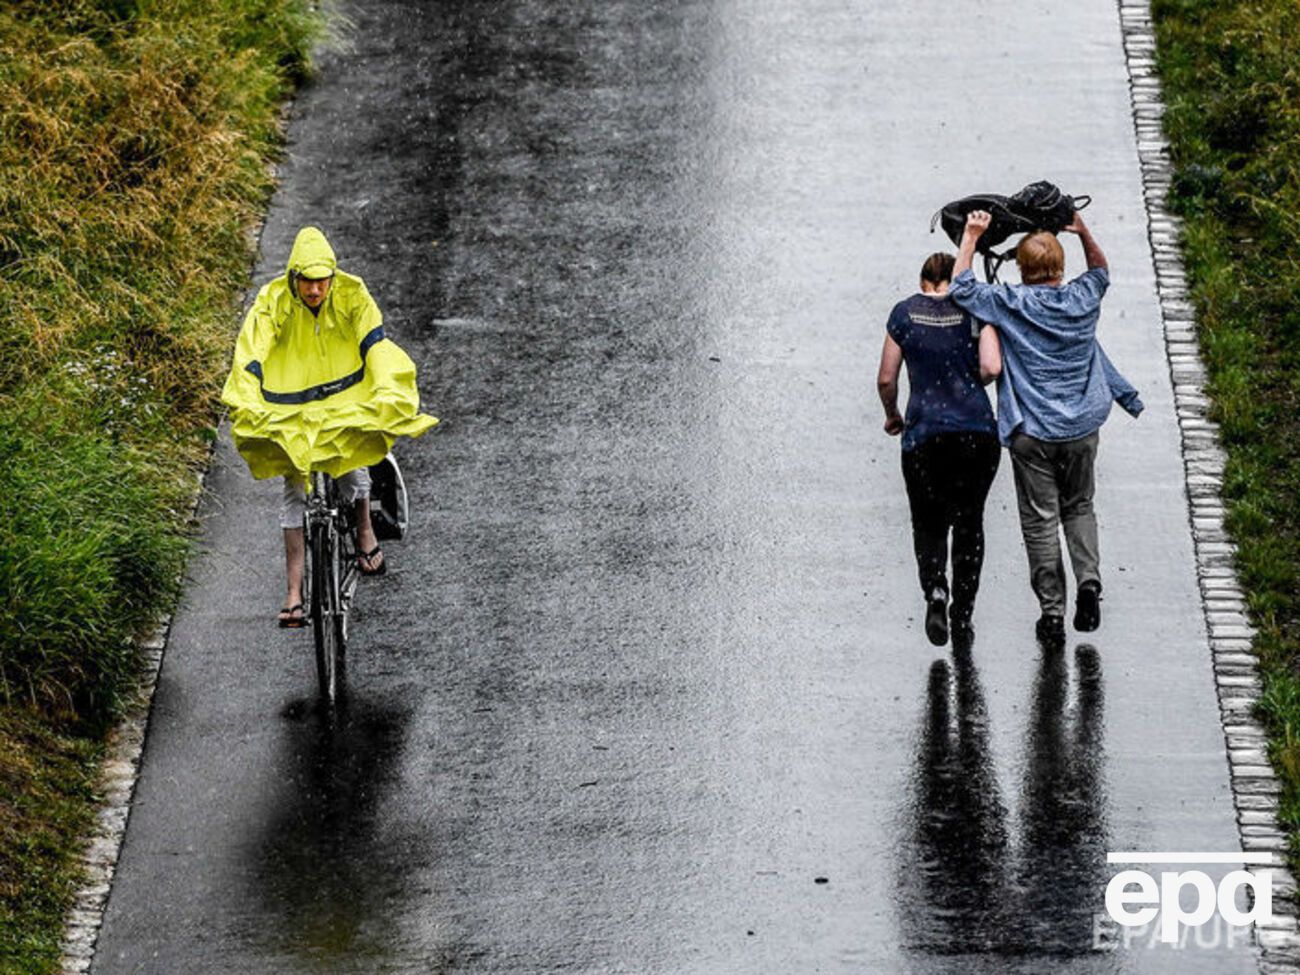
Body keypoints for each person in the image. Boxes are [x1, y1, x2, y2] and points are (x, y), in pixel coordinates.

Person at [222, 226, 438, 628]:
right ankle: (293, 593)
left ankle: (365, 531)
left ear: (332, 278)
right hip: (289, 405)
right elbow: (252, 351)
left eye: (322, 282)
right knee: (294, 490)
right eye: (308, 282)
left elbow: (375, 343)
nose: (316, 291)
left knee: (354, 467)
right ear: (294, 277)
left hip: (345, 398)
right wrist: (247, 393)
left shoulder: (352, 295)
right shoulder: (272, 304)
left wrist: (387, 388)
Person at [948, 210, 1142, 649]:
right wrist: (1082, 230)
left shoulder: (1009, 303)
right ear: (1059, 267)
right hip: (1080, 428)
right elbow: (1101, 271)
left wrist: (972, 237)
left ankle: (1052, 613)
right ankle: (1089, 583)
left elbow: (962, 287)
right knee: (1079, 507)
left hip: (1032, 431)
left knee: (1040, 522)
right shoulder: (1082, 299)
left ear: (1022, 268)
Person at [878, 252, 1003, 649]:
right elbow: (990, 369)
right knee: (970, 523)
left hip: (924, 437)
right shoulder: (975, 310)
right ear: (954, 278)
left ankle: (935, 589)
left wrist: (892, 415)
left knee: (928, 521)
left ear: (923, 280)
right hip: (976, 435)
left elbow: (885, 379)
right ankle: (962, 614)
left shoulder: (903, 314)